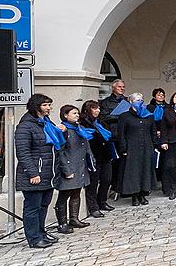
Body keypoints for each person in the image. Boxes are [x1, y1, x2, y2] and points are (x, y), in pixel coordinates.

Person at [15, 94, 62, 249]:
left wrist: (62, 131)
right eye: (45, 105)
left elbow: (57, 144)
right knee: (32, 208)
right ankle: (34, 238)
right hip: (35, 174)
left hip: (48, 174)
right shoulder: (26, 126)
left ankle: (42, 233)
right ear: (36, 107)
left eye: (49, 105)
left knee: (43, 206)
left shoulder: (46, 123)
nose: (48, 108)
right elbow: (23, 152)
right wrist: (33, 173)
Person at [54, 105, 93, 234]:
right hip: (69, 166)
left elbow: (86, 147)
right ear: (65, 115)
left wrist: (91, 161)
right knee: (64, 195)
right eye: (73, 113)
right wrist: (66, 169)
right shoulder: (63, 130)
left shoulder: (79, 129)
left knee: (76, 192)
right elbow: (60, 152)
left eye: (77, 113)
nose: (77, 115)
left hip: (80, 166)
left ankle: (74, 219)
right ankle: (62, 223)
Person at [117, 93, 160, 205]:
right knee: (133, 172)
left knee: (145, 171)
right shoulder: (124, 116)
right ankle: (134, 196)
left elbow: (153, 131)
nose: (139, 102)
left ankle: (143, 194)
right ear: (131, 102)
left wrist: (155, 145)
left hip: (147, 146)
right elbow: (121, 134)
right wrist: (123, 148)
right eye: (136, 100)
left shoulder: (148, 115)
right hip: (132, 147)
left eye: (141, 100)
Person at [81, 100, 115, 217]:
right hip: (93, 157)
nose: (97, 111)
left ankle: (102, 201)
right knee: (93, 183)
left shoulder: (101, 123)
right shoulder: (84, 124)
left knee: (106, 180)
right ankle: (93, 207)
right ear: (87, 110)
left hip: (105, 156)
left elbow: (109, 137)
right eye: (94, 108)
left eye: (98, 108)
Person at [149, 88, 168, 181]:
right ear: (154, 96)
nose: (161, 96)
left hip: (165, 133)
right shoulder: (150, 107)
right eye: (159, 95)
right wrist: (156, 130)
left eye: (163, 95)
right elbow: (149, 121)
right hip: (154, 133)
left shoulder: (168, 107)